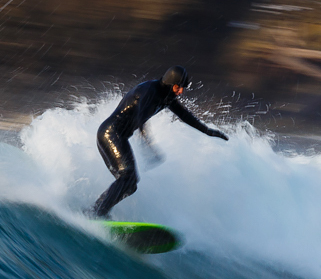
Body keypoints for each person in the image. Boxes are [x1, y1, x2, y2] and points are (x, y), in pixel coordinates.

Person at [92, 66, 228, 217]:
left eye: (182, 88)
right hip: (110, 133)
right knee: (127, 177)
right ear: (170, 83)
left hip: (118, 137)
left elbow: (184, 115)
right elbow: (140, 116)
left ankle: (95, 209)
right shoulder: (149, 90)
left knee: (130, 185)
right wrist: (146, 141)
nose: (180, 91)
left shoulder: (167, 97)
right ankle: (99, 213)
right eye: (178, 87)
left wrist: (207, 131)